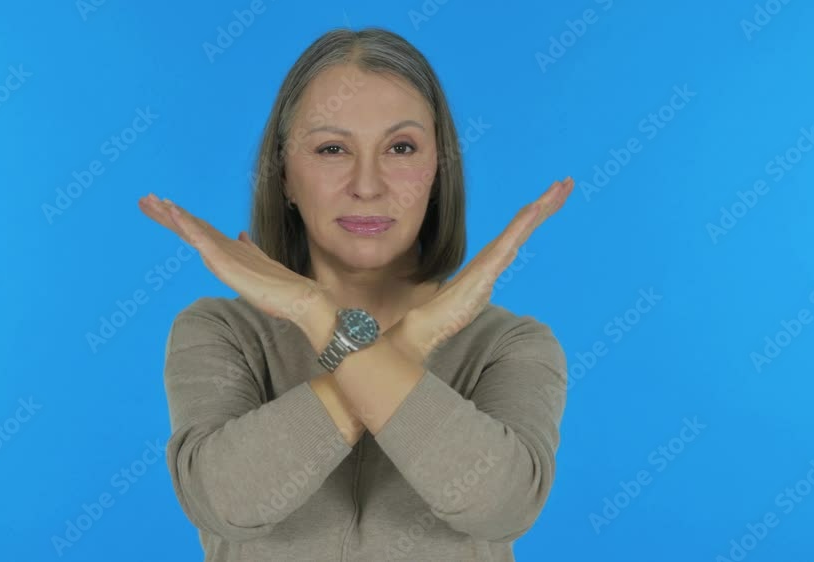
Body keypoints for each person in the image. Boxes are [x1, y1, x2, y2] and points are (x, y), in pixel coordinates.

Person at [139, 26, 573, 562]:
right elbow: (227, 500)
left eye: (401, 147)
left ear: (439, 170)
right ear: (285, 178)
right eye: (332, 148)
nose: (367, 185)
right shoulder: (220, 333)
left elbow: (502, 505)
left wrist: (326, 325)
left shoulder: (510, 345)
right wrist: (397, 337)